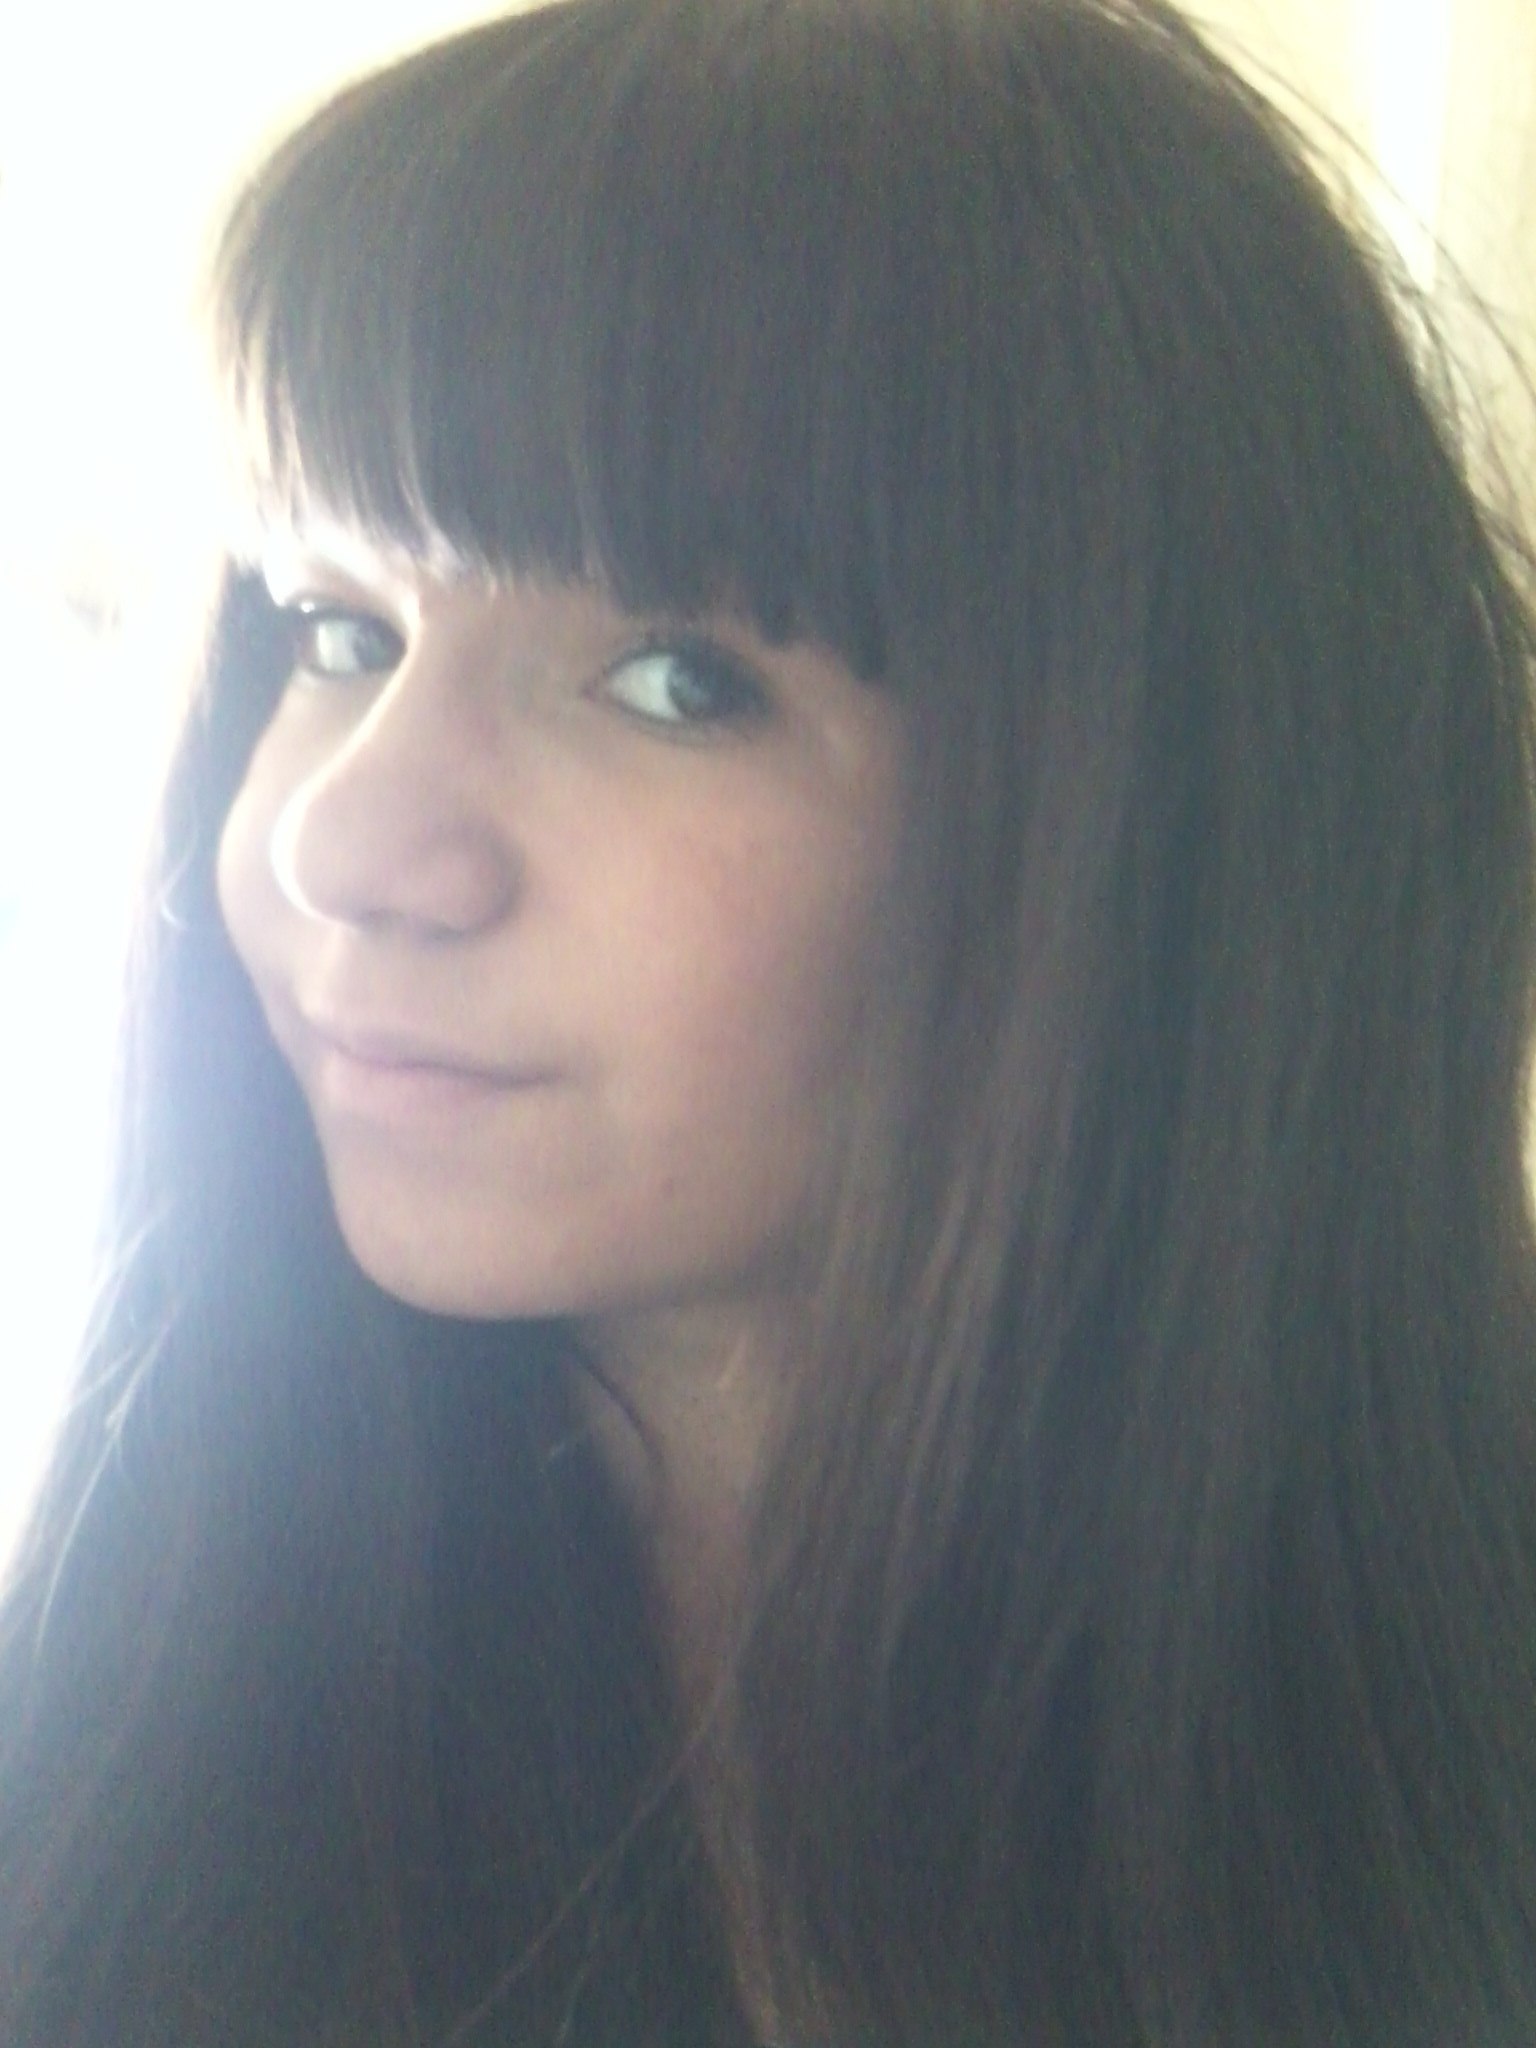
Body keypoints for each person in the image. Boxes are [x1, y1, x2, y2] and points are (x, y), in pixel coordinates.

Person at [3, 0, 1535, 2040]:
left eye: (675, 681)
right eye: (335, 628)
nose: (342, 841)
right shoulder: (138, 1709)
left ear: (1166, 825)